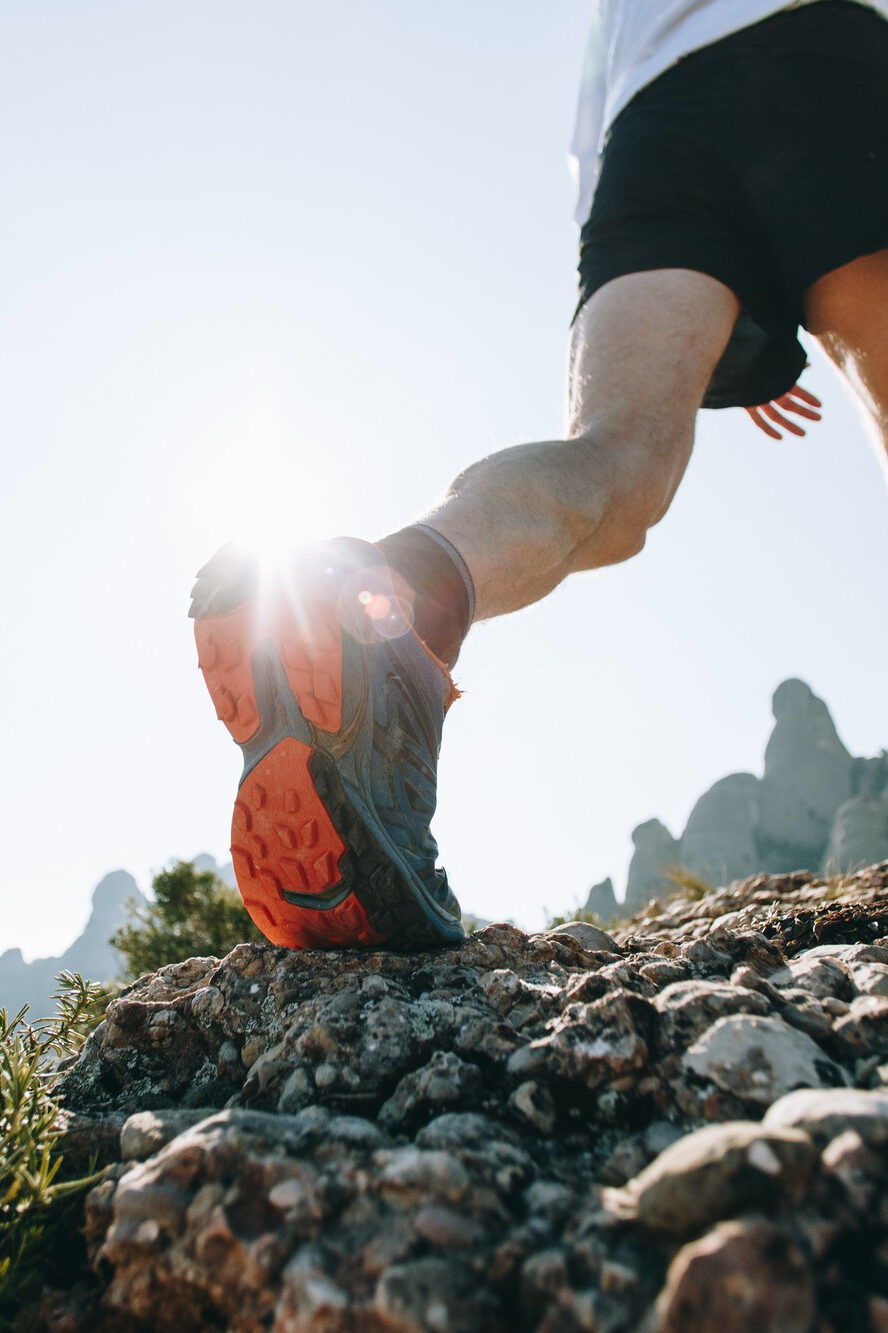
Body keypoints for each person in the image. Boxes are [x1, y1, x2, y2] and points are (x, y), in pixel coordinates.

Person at [190, 0, 888, 951]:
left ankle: (380, 597)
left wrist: (715, 318)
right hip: (819, 50)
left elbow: (588, 127)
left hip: (652, 123)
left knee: (616, 466)